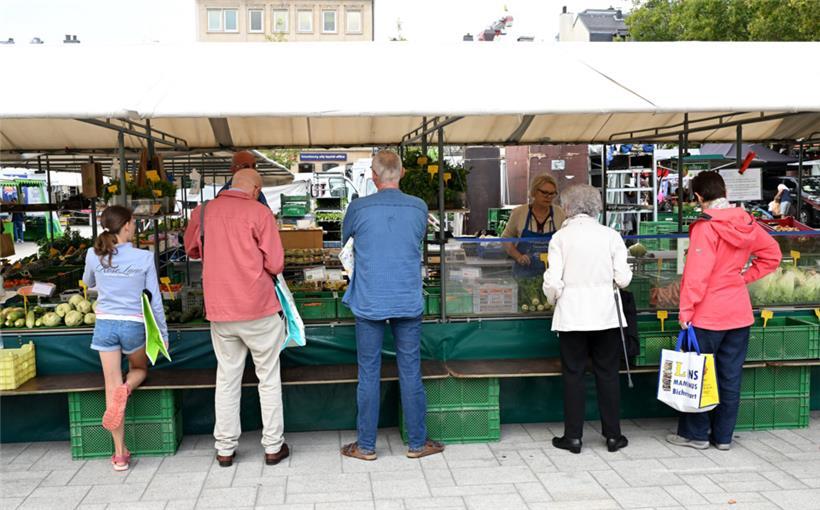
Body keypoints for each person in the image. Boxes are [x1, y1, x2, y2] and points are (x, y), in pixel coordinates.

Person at [340, 150, 444, 461]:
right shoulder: (418, 207)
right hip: (406, 298)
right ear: (403, 173)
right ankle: (417, 443)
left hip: (369, 298)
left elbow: (345, 243)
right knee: (410, 370)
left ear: (373, 176)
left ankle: (366, 446)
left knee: (368, 372)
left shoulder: (358, 208)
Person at [668, 171, 781, 450]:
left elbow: (697, 274)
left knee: (700, 373)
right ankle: (723, 437)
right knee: (730, 376)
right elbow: (773, 255)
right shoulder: (747, 222)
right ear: (724, 191)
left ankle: (696, 435)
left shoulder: (705, 227)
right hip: (739, 313)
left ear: (698, 196)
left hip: (707, 314)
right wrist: (743, 277)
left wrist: (686, 310)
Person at [184, 168, 289, 467]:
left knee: (227, 379)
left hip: (221, 309)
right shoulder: (259, 213)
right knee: (267, 378)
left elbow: (191, 249)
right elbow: (277, 263)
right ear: (255, 190)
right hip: (258, 309)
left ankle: (225, 449)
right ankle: (272, 447)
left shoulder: (203, 212)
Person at [542, 184, 632, 454]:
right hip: (606, 315)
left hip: (572, 317)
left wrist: (553, 301)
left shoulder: (560, 238)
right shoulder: (611, 236)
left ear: (566, 208)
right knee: (607, 374)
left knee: (573, 375)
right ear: (597, 208)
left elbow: (553, 281)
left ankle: (573, 437)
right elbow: (624, 278)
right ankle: (614, 436)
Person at [82, 205, 168, 471]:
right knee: (140, 368)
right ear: (128, 224)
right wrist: (162, 335)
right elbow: (154, 301)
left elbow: (88, 282)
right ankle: (127, 389)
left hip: (105, 324)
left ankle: (120, 455)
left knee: (110, 385)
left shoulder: (92, 254)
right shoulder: (144, 257)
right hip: (133, 325)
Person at [502, 175, 566, 278]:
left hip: (552, 273)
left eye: (552, 193)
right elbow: (506, 238)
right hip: (524, 274)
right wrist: (518, 257)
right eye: (544, 192)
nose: (548, 197)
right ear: (534, 192)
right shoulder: (519, 212)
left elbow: (565, 242)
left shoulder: (560, 213)